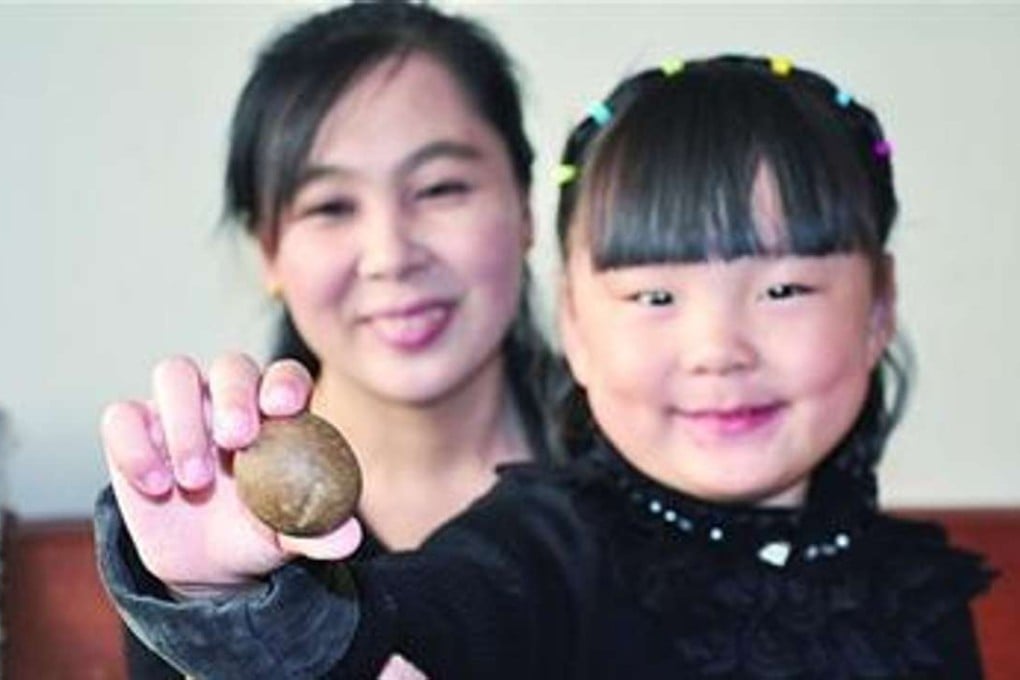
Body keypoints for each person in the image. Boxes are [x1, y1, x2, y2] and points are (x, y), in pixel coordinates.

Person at [97, 54, 994, 678]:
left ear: (879, 306)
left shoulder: (919, 586)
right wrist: (225, 600)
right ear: (573, 316)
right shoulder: (544, 543)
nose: (719, 349)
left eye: (787, 290)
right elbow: (401, 632)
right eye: (655, 298)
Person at [97, 2, 564, 677]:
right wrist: (213, 606)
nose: (390, 255)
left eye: (439, 188)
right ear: (270, 253)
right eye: (330, 206)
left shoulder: (651, 462)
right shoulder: (217, 528)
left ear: (524, 208)